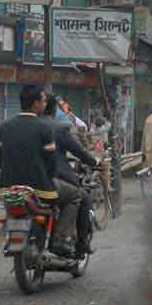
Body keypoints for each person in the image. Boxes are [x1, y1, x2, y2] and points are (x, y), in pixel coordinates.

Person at [0, 85, 80, 257]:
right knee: (76, 195)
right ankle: (59, 237)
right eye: (42, 100)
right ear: (35, 104)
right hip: (39, 189)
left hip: (8, 189)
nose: (44, 103)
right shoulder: (44, 128)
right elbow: (51, 165)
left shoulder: (4, 127)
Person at [44, 95, 100, 255]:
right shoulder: (60, 128)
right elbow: (79, 151)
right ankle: (74, 242)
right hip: (51, 180)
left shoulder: (23, 126)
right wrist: (94, 161)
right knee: (81, 197)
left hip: (21, 183)